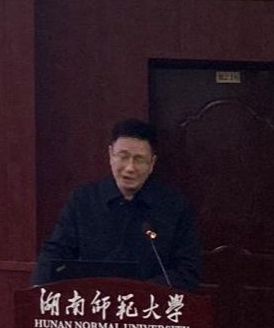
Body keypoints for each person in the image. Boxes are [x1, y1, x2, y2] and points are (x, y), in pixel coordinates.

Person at [32, 118, 201, 291]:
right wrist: (38, 290)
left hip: (150, 303)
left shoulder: (174, 206)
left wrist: (139, 292)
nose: (130, 168)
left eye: (139, 159)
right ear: (111, 155)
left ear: (152, 164)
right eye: (123, 157)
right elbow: (55, 254)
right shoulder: (83, 200)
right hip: (93, 301)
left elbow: (187, 271)